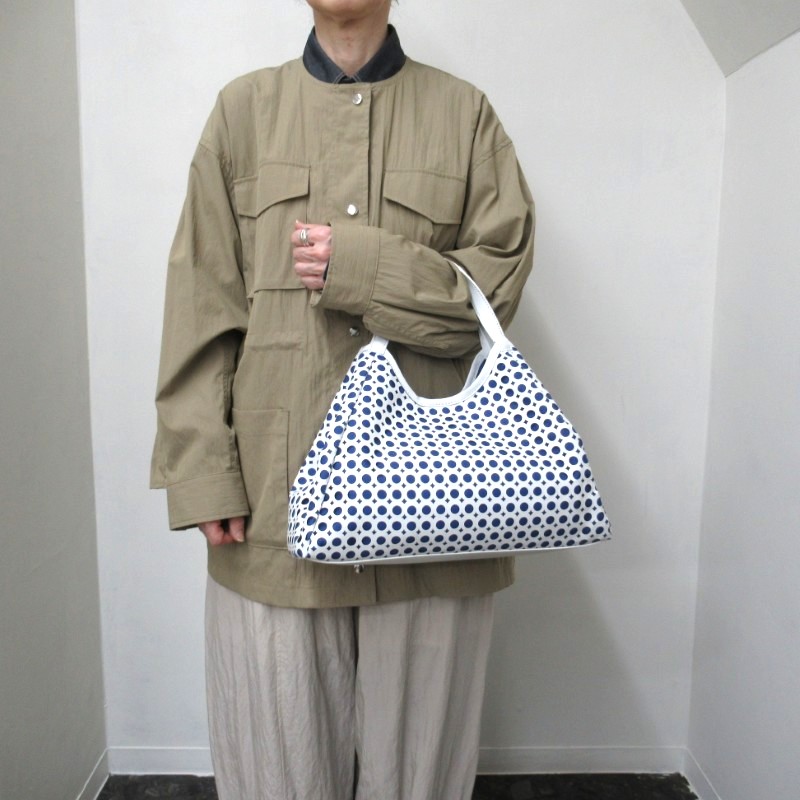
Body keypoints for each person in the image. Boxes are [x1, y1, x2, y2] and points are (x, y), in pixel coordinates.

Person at [151, 1, 534, 797]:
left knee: (422, 777)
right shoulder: (241, 113)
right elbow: (200, 303)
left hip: (439, 513)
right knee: (277, 771)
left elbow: (491, 295)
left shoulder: (464, 115)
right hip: (273, 507)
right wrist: (203, 474)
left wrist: (362, 267)